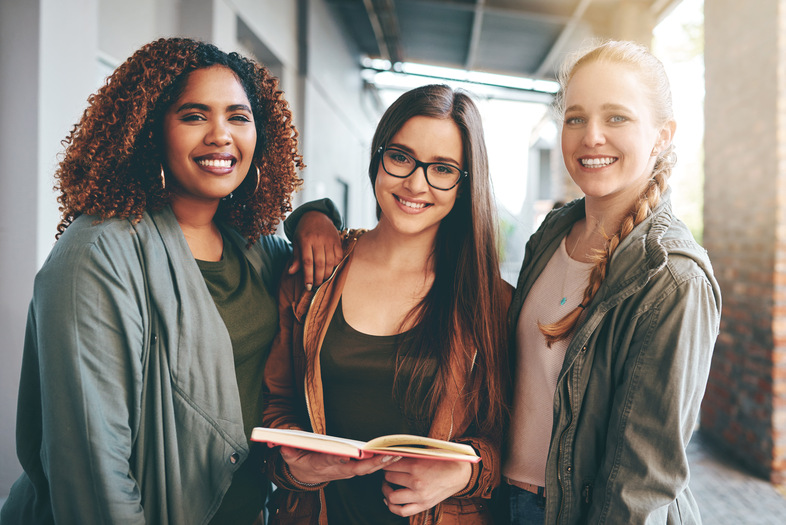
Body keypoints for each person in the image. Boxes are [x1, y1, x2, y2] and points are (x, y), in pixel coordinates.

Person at [0, 38, 343, 525]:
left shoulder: (253, 246)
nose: (221, 135)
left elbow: (324, 273)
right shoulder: (98, 252)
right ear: (149, 131)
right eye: (194, 116)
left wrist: (313, 216)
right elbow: (93, 473)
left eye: (238, 117)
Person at [262, 84, 512, 524]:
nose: (416, 183)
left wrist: (462, 475)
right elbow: (275, 402)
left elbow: (511, 437)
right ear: (378, 156)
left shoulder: (491, 301)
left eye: (443, 169)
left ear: (464, 183)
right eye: (401, 157)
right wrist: (296, 462)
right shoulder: (313, 275)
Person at [502, 40, 721, 524]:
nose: (591, 137)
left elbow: (642, 480)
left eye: (616, 118)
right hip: (508, 502)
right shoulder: (551, 235)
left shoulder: (674, 277)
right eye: (575, 118)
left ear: (662, 135)